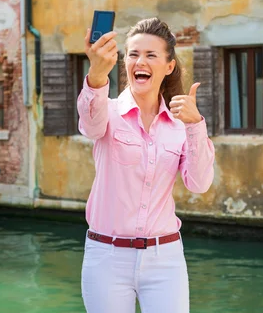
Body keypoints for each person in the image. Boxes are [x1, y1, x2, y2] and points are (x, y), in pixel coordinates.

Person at [77, 17, 215, 313]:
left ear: (169, 66)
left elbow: (199, 183)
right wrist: (97, 75)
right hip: (107, 258)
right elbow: (89, 125)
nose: (141, 61)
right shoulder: (108, 112)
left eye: (151, 55)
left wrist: (195, 125)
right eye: (134, 54)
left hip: (164, 258)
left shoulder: (182, 125)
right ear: (124, 61)